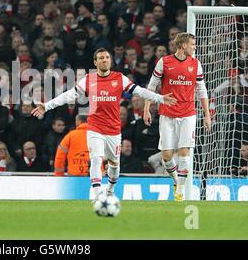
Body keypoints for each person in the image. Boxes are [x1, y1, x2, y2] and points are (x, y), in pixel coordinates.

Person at [32, 48, 176, 200]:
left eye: (107, 57)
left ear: (110, 60)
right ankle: (97, 194)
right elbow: (70, 94)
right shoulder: (89, 79)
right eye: (101, 58)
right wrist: (47, 106)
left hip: (114, 129)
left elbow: (139, 91)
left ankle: (110, 190)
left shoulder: (119, 78)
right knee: (96, 158)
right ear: (95, 62)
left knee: (114, 164)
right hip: (95, 127)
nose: (104, 60)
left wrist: (159, 98)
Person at [143, 33, 211, 201]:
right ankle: (176, 181)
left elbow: (202, 91)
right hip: (167, 114)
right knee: (166, 156)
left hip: (188, 114)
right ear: (182, 46)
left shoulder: (196, 64)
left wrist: (207, 115)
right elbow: (151, 86)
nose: (194, 47)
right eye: (192, 44)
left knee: (184, 151)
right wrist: (146, 109)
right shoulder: (164, 62)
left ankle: (180, 190)